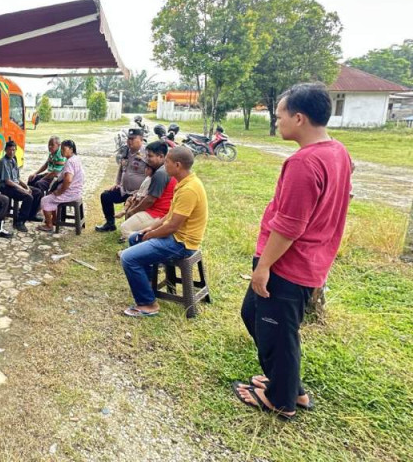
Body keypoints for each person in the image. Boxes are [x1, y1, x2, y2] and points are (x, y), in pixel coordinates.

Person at [233, 83, 352, 421]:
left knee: (276, 329)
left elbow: (289, 226)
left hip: (288, 264)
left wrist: (264, 266)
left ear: (299, 118)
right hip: (307, 260)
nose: (277, 120)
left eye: (280, 115)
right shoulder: (337, 151)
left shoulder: (303, 162)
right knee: (256, 315)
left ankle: (282, 399)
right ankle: (287, 381)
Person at [120, 146, 208, 317]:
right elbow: (169, 215)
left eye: (166, 161)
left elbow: (172, 226)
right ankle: (145, 289)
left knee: (127, 257)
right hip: (175, 236)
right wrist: (149, 228)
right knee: (134, 239)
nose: (164, 165)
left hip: (182, 243)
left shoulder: (189, 189)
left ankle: (148, 304)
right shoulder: (184, 183)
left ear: (177, 165)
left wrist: (150, 235)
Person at [117, 141, 177, 241]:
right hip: (162, 212)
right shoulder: (164, 169)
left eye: (150, 156)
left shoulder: (160, 173)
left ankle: (145, 247)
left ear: (161, 156)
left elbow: (150, 200)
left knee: (125, 228)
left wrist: (133, 211)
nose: (147, 159)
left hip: (159, 213)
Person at [95, 128, 150, 232]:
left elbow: (151, 175)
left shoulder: (147, 154)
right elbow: (121, 168)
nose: (129, 141)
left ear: (141, 139)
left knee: (130, 209)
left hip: (137, 192)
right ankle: (110, 224)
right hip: (123, 189)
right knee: (105, 196)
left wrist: (143, 192)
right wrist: (117, 183)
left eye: (133, 139)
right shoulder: (125, 151)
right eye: (129, 138)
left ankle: (129, 231)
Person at [38, 140, 84, 232]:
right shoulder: (75, 158)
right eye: (61, 149)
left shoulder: (70, 162)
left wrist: (60, 191)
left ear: (71, 149)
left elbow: (68, 180)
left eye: (64, 149)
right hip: (77, 191)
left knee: (44, 200)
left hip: (70, 193)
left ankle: (49, 225)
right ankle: (54, 219)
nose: (62, 151)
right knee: (51, 194)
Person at [0, 140, 43, 232]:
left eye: (14, 150)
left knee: (38, 192)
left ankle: (31, 215)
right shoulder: (3, 162)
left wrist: (26, 186)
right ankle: (19, 221)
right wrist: (23, 189)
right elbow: (8, 181)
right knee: (28, 197)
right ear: (5, 150)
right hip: (6, 187)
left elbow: (17, 178)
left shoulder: (13, 160)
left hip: (15, 185)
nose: (12, 152)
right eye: (9, 150)